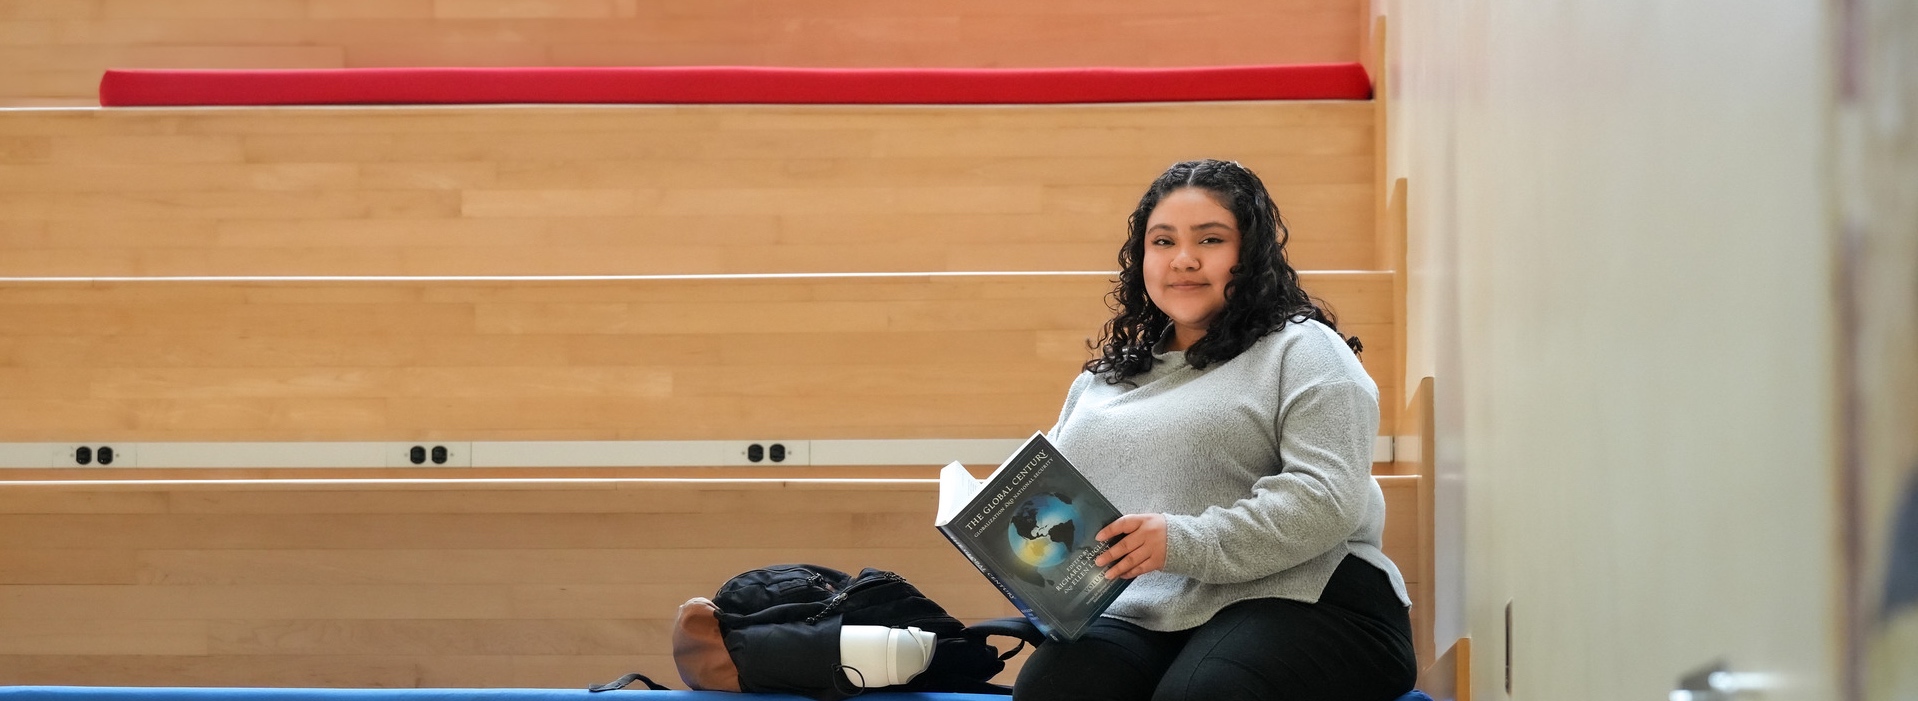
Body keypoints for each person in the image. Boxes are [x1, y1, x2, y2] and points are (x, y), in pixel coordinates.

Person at [1013, 159, 1416, 701]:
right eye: (1162, 241)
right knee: (1054, 689)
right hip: (1146, 608)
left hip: (1308, 593)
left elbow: (1326, 497)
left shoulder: (1304, 349)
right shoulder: (1100, 382)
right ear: (1142, 260)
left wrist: (1181, 541)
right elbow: (1069, 507)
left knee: (1204, 692)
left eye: (1210, 239)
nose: (1183, 259)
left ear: (1250, 255)